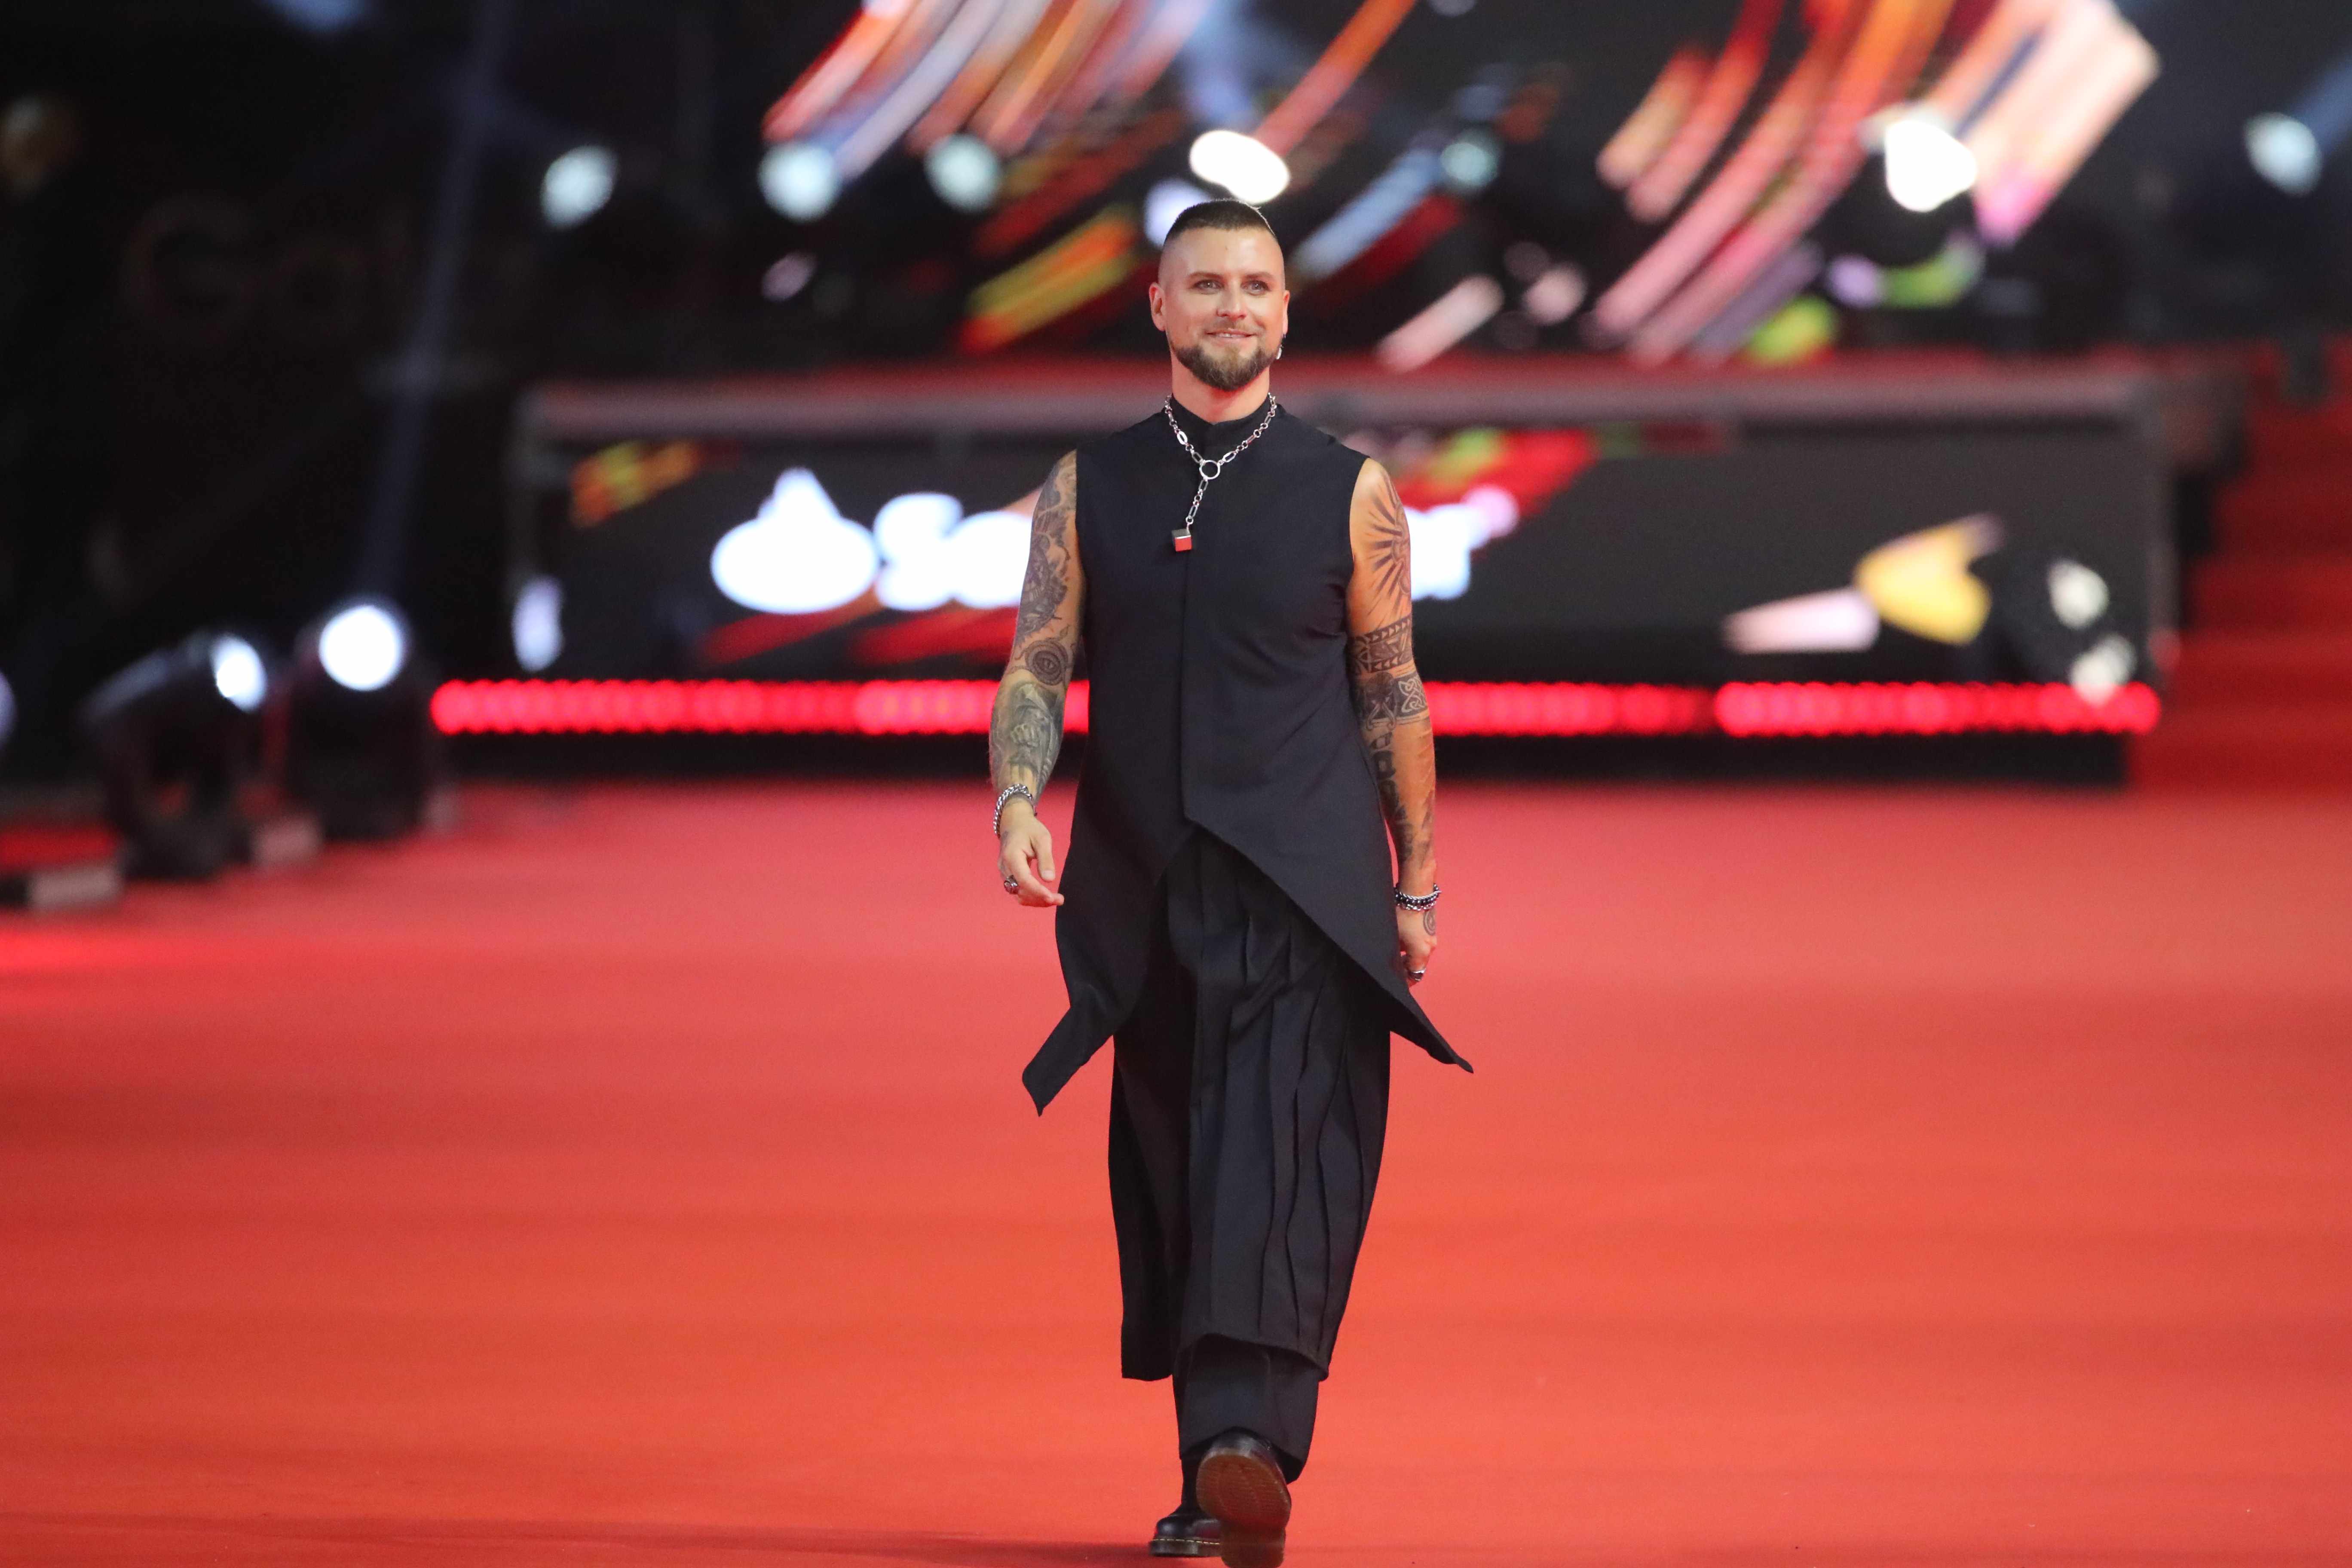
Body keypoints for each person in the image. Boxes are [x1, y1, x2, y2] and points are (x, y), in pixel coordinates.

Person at [986, 199, 1467, 1568]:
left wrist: (1417, 884)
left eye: (1257, 285)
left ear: (1287, 312)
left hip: (1307, 890)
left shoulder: (1348, 491)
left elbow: (1393, 692)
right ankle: (1215, 1478)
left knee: (1282, 1156)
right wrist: (1017, 798)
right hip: (1144, 886)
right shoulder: (1091, 486)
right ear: (1160, 305)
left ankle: (1247, 1444)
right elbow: (1039, 659)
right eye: (1207, 286)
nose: (1234, 307)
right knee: (1183, 1168)